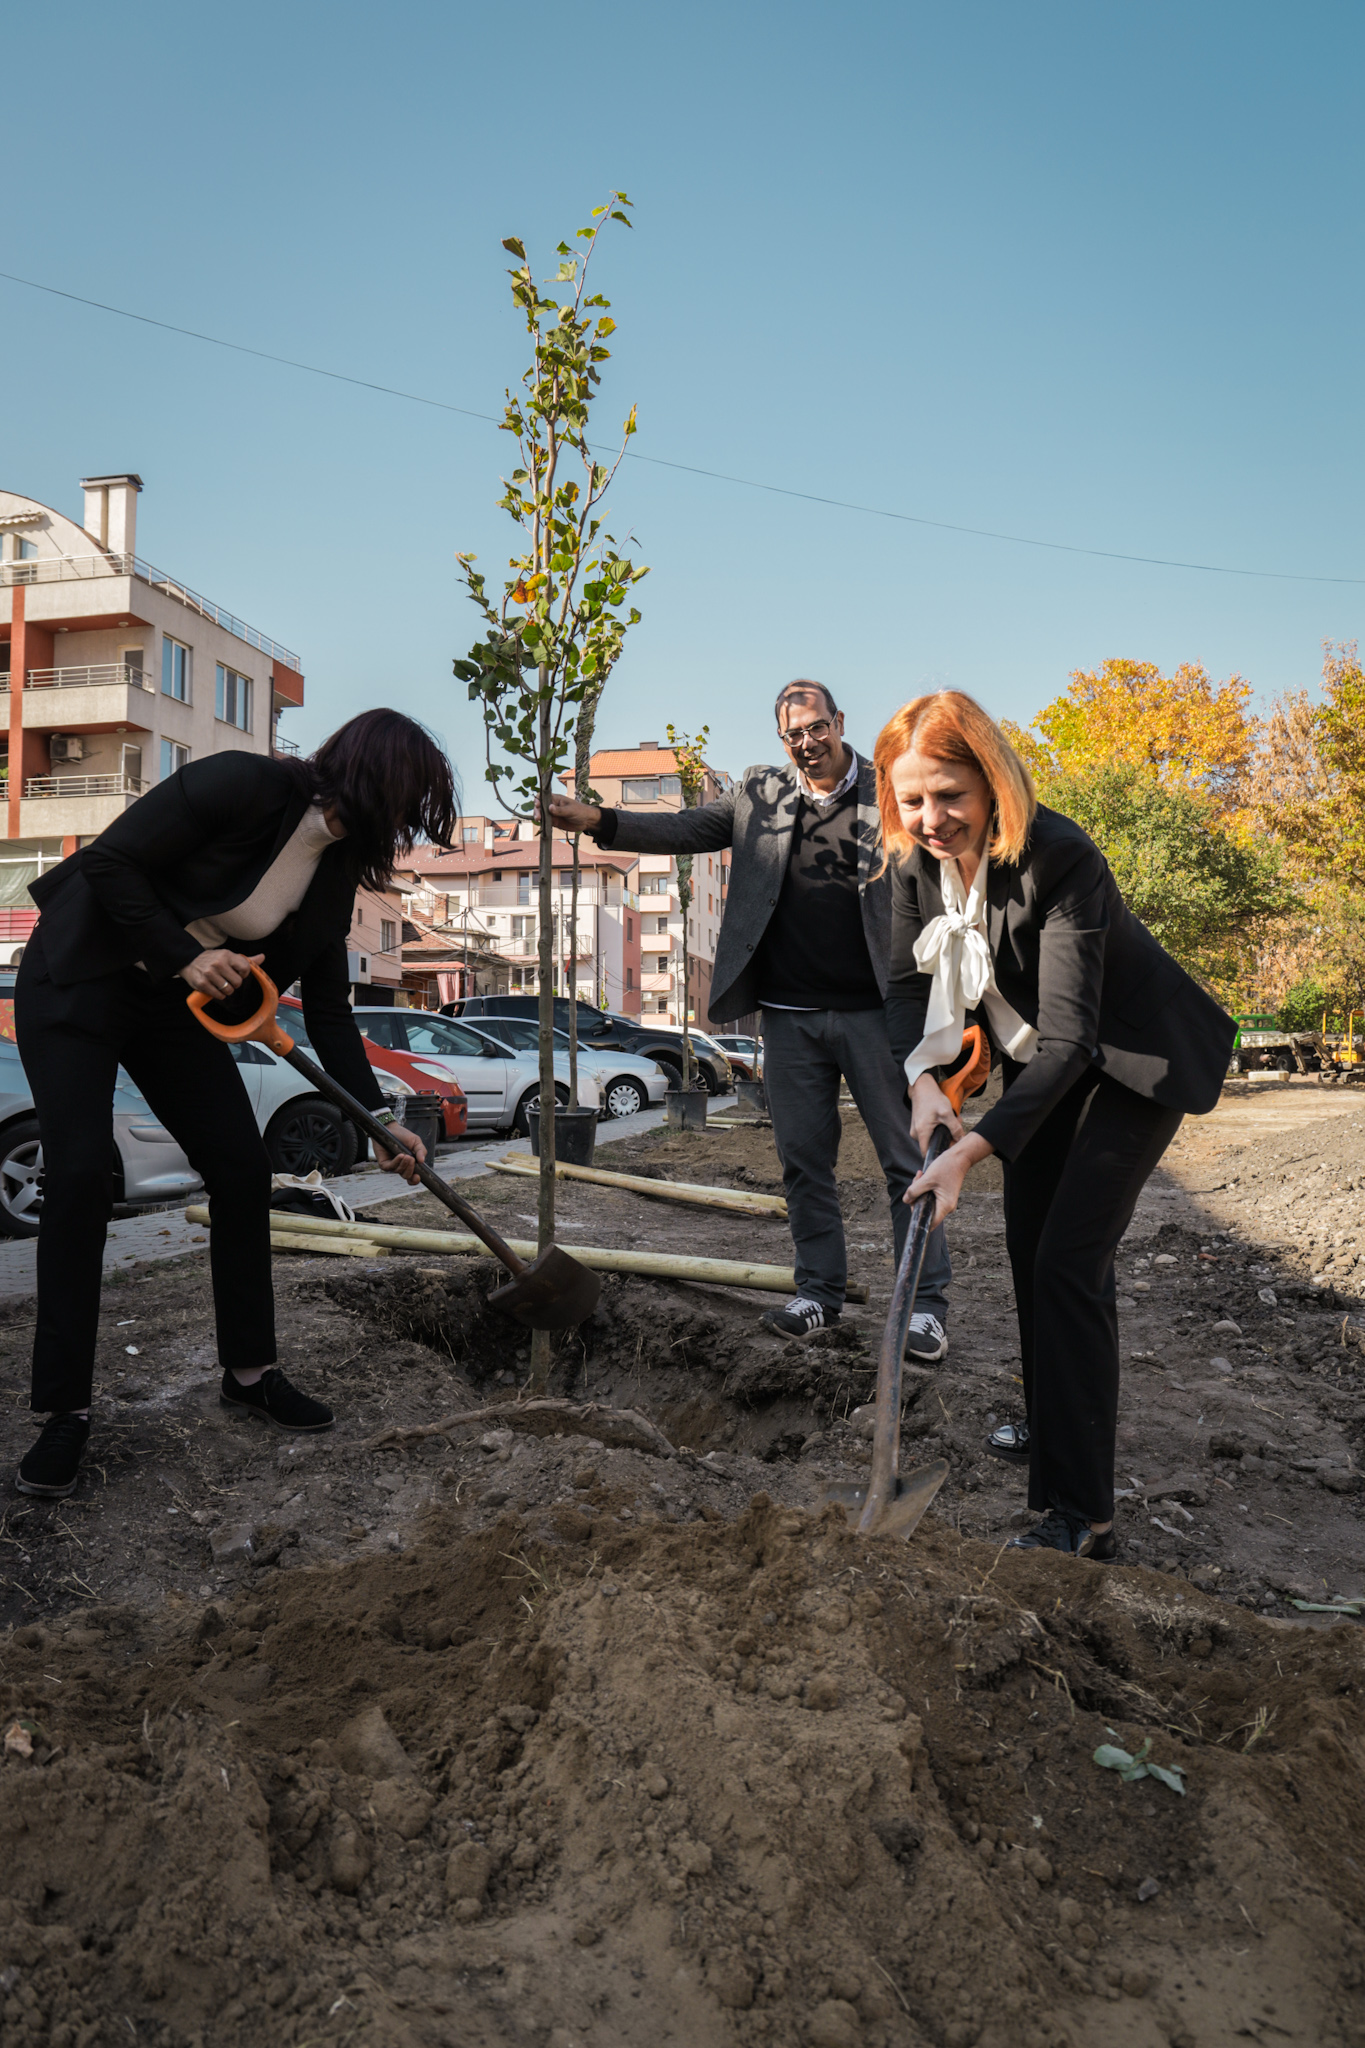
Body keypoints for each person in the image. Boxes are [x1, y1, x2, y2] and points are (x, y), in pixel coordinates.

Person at [14, 709, 458, 1500]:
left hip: (171, 1011)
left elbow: (331, 1015)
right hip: (78, 976)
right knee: (80, 1175)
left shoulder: (335, 877)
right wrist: (187, 955)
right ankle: (65, 1410)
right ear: (374, 777)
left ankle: (250, 1373)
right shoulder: (242, 784)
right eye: (407, 803)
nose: (405, 826)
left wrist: (379, 1121)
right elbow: (111, 861)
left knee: (242, 1171)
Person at [877, 690, 1233, 1558]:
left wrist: (970, 1149)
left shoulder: (1059, 856)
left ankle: (1083, 1519)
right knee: (1028, 1249)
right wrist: (921, 1082)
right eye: (911, 798)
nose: (930, 818)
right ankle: (1054, 1424)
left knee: (1069, 1262)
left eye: (949, 795)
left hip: (1133, 1060)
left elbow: (1074, 1037)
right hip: (1041, 1061)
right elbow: (900, 987)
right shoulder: (914, 866)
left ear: (991, 781)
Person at [545, 680, 952, 1350]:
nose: (807, 742)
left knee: (907, 1161)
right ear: (781, 739)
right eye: (793, 734)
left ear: (839, 721)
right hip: (788, 1018)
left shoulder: (887, 790)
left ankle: (924, 1307)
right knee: (802, 1164)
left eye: (816, 727)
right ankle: (818, 1294)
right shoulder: (761, 794)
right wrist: (598, 821)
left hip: (877, 1015)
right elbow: (685, 829)